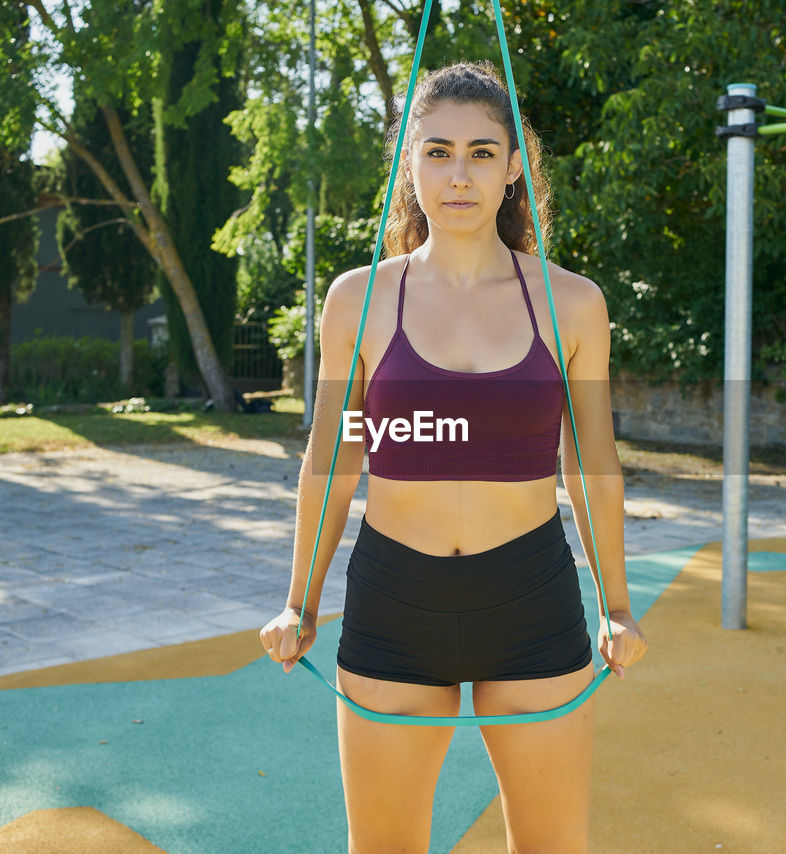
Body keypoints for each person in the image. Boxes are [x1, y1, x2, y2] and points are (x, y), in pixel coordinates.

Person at [260, 60, 647, 853]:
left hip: (531, 599)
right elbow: (332, 459)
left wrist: (617, 603)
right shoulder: (356, 299)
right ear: (410, 165)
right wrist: (298, 601)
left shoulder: (574, 302)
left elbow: (592, 462)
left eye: (480, 153)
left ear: (513, 169)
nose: (458, 174)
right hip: (396, 602)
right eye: (437, 152)